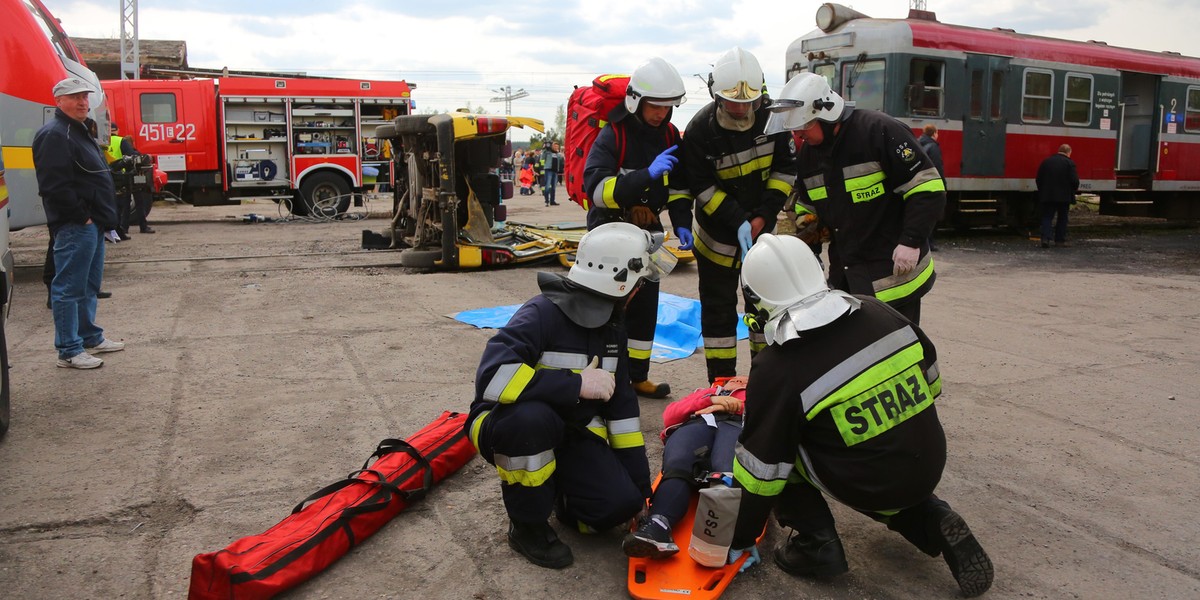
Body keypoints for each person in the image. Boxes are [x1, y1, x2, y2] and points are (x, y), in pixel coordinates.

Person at [729, 234, 994, 597]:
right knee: (873, 461)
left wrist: (739, 535)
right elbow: (931, 384)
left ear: (757, 301)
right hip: (928, 460)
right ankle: (933, 517)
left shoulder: (778, 367)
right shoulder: (877, 309)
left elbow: (761, 472)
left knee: (776, 449)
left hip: (871, 479)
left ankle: (816, 544)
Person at [466, 222, 675, 569]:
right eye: (639, 282)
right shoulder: (542, 314)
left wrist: (641, 492)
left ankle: (560, 496)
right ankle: (527, 527)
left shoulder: (611, 327)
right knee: (533, 421)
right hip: (509, 426)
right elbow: (491, 380)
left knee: (618, 505)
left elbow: (622, 412)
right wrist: (575, 385)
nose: (641, 290)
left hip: (569, 432)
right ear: (622, 283)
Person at [767, 72, 945, 325]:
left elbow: (927, 187)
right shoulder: (809, 156)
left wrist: (912, 240)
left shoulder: (879, 131)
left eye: (804, 126)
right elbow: (809, 214)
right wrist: (805, 255)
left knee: (900, 355)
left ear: (825, 115)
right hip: (848, 278)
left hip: (894, 273)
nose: (799, 135)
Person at [684, 47, 798, 384]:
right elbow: (701, 187)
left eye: (749, 102)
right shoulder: (700, 130)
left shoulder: (772, 119)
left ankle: (766, 379)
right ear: (715, 95)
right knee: (719, 313)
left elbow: (785, 169)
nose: (742, 108)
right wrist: (738, 220)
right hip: (716, 240)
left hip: (761, 235)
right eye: (733, 102)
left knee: (765, 309)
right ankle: (722, 384)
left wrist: (763, 215)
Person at [583, 56, 693, 399]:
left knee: (646, 305)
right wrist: (645, 175)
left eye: (667, 106)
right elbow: (596, 190)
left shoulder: (671, 134)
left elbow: (679, 186)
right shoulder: (613, 134)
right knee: (608, 306)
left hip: (648, 231)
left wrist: (682, 222)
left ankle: (638, 376)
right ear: (636, 101)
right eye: (654, 106)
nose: (661, 113)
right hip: (609, 230)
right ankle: (600, 375)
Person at [32, 77, 126, 369]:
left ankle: (89, 337)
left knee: (88, 285)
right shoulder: (55, 134)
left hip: (93, 223)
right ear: (58, 101)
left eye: (85, 96)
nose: (83, 102)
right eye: (74, 97)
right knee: (68, 288)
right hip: (77, 225)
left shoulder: (79, 130)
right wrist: (81, 217)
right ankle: (69, 350)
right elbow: (53, 186)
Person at [622, 377, 746, 558]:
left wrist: (740, 407)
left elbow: (771, 422)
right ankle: (657, 527)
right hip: (698, 423)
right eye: (736, 380)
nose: (740, 382)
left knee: (726, 468)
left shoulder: (760, 397)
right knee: (679, 465)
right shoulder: (704, 393)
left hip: (737, 425)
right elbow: (670, 416)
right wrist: (710, 399)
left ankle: (714, 540)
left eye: (745, 382)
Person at [1036, 144, 1079, 248]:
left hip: (1048, 196)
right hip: (1064, 197)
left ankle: (1045, 238)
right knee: (1062, 218)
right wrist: (1072, 190)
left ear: (1058, 151)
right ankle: (1059, 241)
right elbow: (1075, 181)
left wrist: (1043, 191)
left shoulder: (1046, 162)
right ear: (1069, 152)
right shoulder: (1070, 163)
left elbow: (1038, 179)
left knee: (1047, 217)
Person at [917, 124, 944, 251]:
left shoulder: (917, 143)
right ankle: (929, 244)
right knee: (931, 215)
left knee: (920, 215)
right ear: (934, 134)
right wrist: (943, 185)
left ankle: (922, 241)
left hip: (917, 184)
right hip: (930, 184)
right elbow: (937, 168)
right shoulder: (933, 147)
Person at [541, 141, 564, 206]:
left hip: (555, 171)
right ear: (552, 146)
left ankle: (552, 201)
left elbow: (562, 161)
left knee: (554, 187)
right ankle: (546, 201)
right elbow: (542, 158)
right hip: (548, 170)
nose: (556, 147)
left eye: (557, 146)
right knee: (547, 186)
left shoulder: (558, 154)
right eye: (555, 146)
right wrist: (544, 149)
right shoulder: (547, 152)